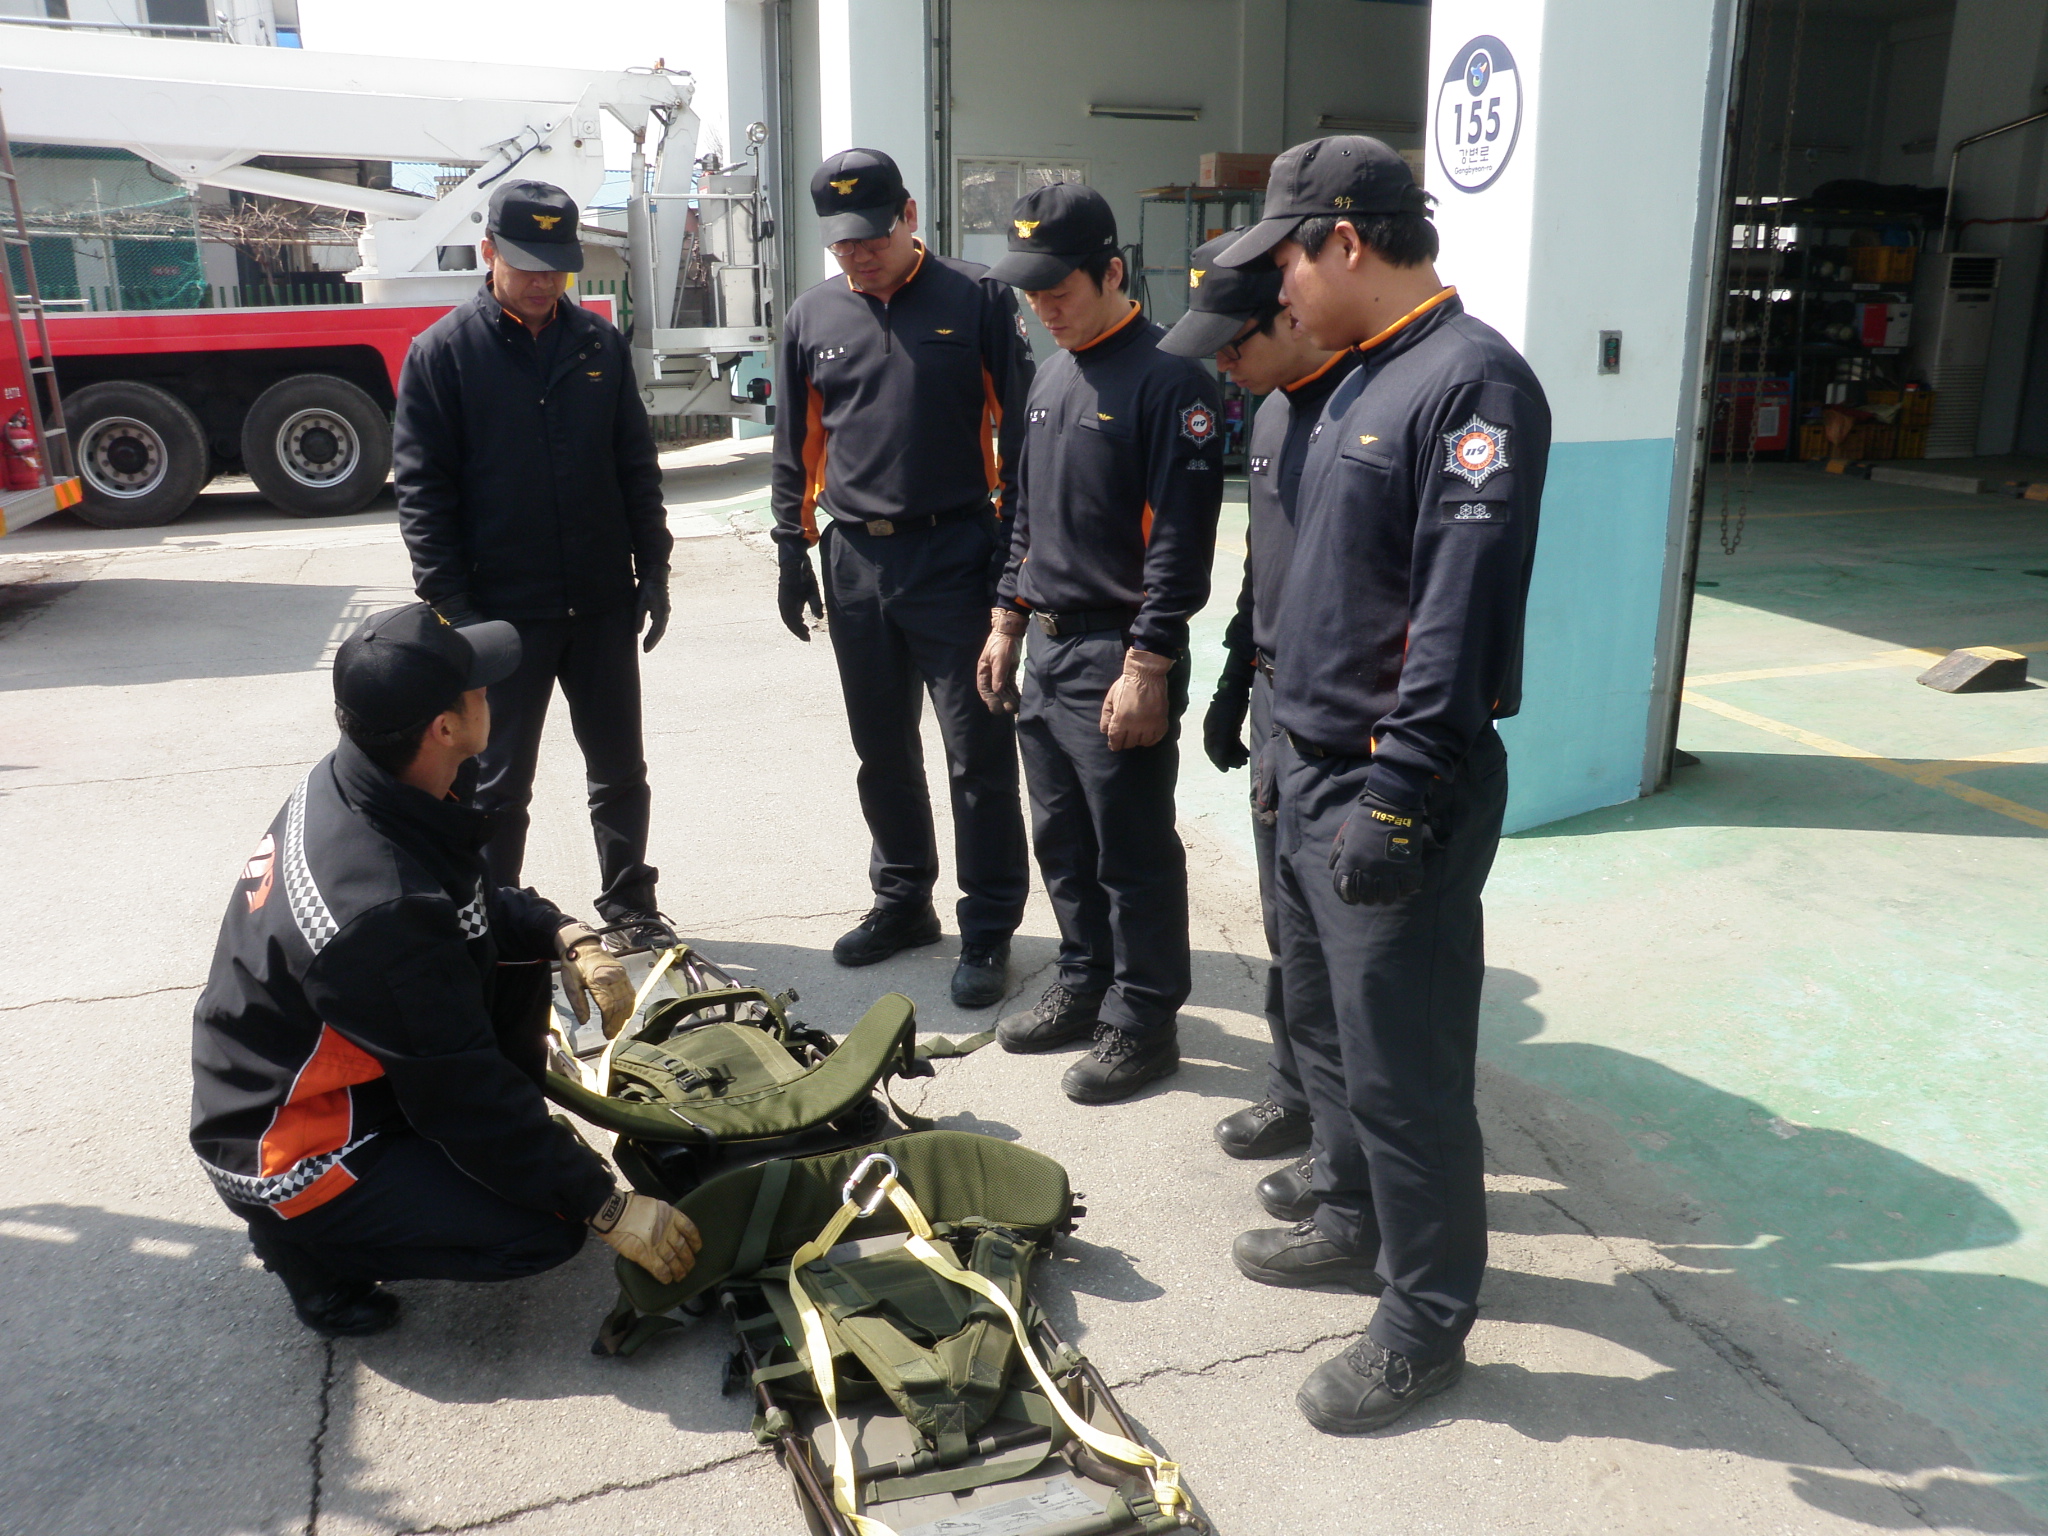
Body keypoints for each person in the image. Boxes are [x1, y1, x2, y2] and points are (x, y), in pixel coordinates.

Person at [1215, 137, 1548, 1433]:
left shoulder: (1470, 384)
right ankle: (1351, 1211)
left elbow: (1456, 619)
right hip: (1309, 765)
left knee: (1407, 1068)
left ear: (1344, 241)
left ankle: (1424, 1319)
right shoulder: (1358, 378)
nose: (1280, 290)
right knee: (1329, 1027)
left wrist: (1399, 794)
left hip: (1389, 782)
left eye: (1288, 261)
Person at [190, 604, 700, 1337]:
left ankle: (408, 1181)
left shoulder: (370, 782)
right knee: (546, 1227)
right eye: (477, 686)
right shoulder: (376, 909)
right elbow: (462, 1093)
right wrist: (604, 1204)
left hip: (328, 1070)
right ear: (444, 728)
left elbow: (470, 899)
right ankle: (304, 1247)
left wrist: (564, 932)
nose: (491, 692)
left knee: (511, 975)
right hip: (291, 1146)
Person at [975, 183, 1224, 1104]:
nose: (1043, 308)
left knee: (1132, 849)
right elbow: (1024, 514)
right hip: (1047, 649)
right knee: (1063, 840)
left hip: (1120, 652)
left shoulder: (1171, 380)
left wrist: (1149, 662)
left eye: (1059, 290)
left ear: (1113, 272)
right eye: (1032, 293)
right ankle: (1085, 981)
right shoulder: (1051, 376)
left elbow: (1180, 543)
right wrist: (1006, 618)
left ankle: (1144, 1020)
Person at [770, 149, 1036, 1008]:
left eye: (872, 239)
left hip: (955, 554)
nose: (858, 256)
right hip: (855, 561)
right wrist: (792, 546)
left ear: (910, 216)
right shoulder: (812, 316)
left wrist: (1013, 566)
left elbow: (1020, 440)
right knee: (881, 749)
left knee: (976, 753)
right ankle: (903, 901)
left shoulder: (978, 298)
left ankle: (989, 926)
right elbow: (796, 442)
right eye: (843, 244)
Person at [393, 179, 675, 955]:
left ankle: (630, 904)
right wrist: (455, 612)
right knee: (496, 783)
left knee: (620, 770)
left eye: (556, 265)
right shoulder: (444, 354)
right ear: (488, 252)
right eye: (525, 264)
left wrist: (653, 566)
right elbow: (423, 496)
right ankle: (492, 922)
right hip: (500, 616)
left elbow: (635, 465)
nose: (543, 280)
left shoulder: (597, 345)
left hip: (599, 603)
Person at [1158, 232, 1357, 1174]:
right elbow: (1259, 566)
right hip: (1276, 704)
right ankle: (1295, 1089)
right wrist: (1236, 680)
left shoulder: (1363, 410)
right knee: (1286, 922)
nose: (1224, 368)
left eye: (1234, 345)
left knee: (1337, 940)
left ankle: (1349, 1135)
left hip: (1342, 722)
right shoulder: (1272, 414)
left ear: (1291, 312)